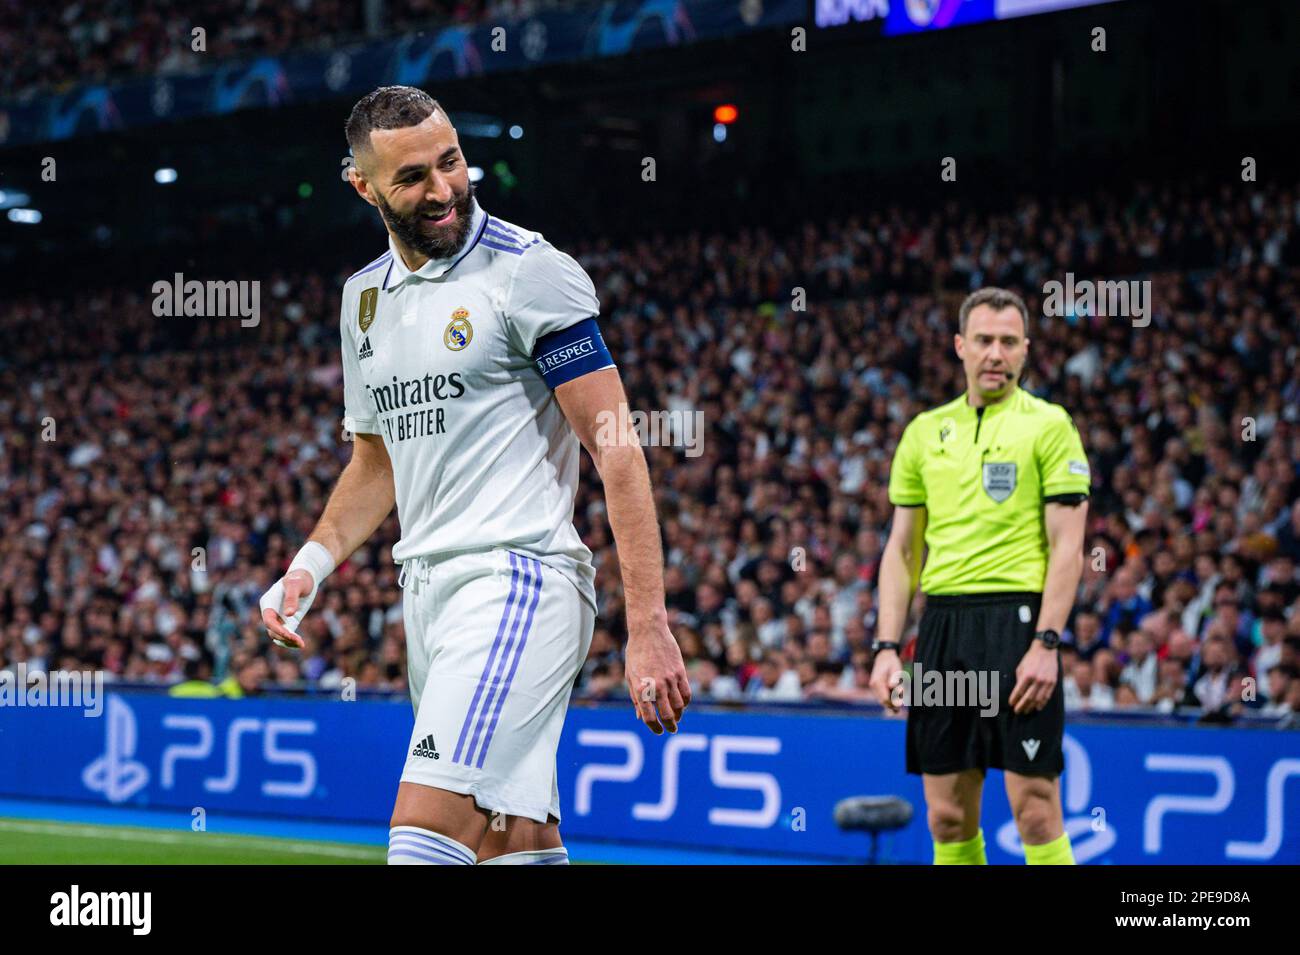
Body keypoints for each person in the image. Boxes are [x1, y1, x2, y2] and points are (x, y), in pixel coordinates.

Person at [258, 86, 688, 866]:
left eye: (451, 162)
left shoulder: (530, 272)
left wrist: (648, 622)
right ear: (363, 187)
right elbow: (375, 460)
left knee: (421, 842)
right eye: (413, 177)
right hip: (428, 599)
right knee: (510, 844)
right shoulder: (362, 301)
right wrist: (309, 564)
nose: (444, 189)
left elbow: (617, 446)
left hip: (517, 582)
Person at [871, 287, 1090, 866]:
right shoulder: (923, 431)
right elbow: (901, 551)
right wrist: (887, 647)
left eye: (1009, 342)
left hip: (1017, 626)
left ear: (1026, 350)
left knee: (1036, 810)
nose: (996, 353)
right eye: (986, 341)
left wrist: (1047, 643)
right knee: (945, 816)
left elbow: (1069, 546)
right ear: (961, 347)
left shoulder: (1050, 425)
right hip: (942, 628)